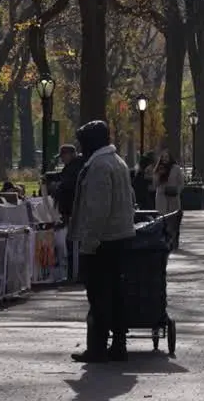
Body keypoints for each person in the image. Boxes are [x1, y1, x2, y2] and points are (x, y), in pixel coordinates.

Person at [68, 120, 137, 363]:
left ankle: (97, 347)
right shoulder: (117, 162)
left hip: (103, 241)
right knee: (116, 294)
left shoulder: (99, 166)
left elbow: (98, 209)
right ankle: (119, 344)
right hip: (120, 237)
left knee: (98, 296)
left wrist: (89, 242)